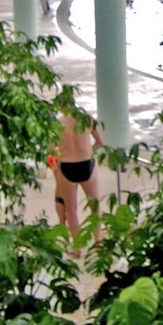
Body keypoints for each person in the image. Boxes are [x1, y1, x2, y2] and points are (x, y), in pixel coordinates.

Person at [51, 99, 105, 247]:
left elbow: (52, 149)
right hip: (87, 164)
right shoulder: (87, 119)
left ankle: (77, 248)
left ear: (61, 106)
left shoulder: (57, 124)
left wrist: (60, 159)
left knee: (71, 210)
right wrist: (89, 151)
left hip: (67, 166)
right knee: (95, 206)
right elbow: (101, 142)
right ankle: (98, 241)